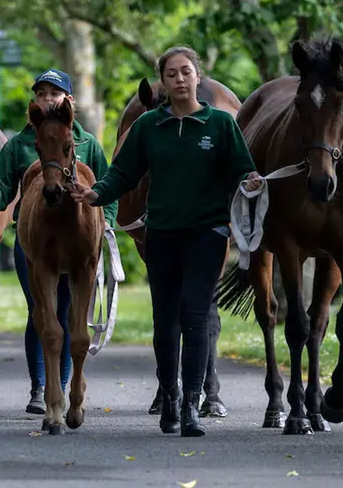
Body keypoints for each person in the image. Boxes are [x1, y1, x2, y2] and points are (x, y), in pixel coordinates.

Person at [70, 46, 262, 437]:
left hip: (207, 235)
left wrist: (251, 182)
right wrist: (95, 195)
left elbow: (242, 170)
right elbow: (123, 175)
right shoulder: (147, 127)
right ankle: (170, 398)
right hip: (162, 234)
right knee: (164, 324)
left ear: (197, 76)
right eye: (171, 73)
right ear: (163, 80)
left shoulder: (220, 126)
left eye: (185, 72)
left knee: (195, 318)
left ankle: (192, 403)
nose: (179, 79)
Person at [0, 69, 118, 414]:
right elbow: (4, 191)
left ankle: (64, 386)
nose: (48, 98)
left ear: (68, 100)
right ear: (34, 102)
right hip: (35, 238)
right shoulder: (21, 144)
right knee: (41, 312)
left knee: (67, 314)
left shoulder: (87, 144)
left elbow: (107, 186)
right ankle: (41, 387)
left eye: (55, 92)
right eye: (41, 93)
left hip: (81, 238)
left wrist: (105, 223)